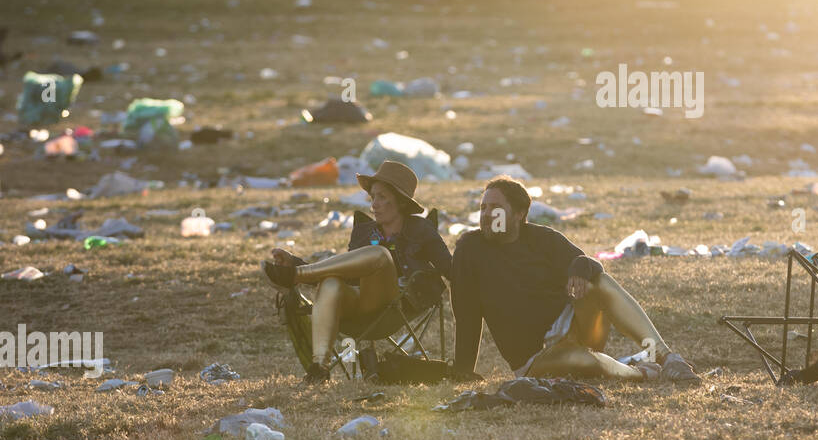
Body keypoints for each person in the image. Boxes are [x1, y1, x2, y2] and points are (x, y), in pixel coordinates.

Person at [451, 175, 701, 383]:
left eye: (495, 208)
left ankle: (666, 358)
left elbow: (587, 263)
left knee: (598, 282)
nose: (486, 214)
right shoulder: (469, 249)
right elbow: (466, 315)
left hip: (577, 330)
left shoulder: (541, 238)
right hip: (538, 359)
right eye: (483, 207)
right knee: (579, 360)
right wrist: (463, 371)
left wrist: (579, 270)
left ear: (519, 213)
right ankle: (638, 373)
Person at [261, 161, 452, 383]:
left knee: (380, 255)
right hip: (361, 304)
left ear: (400, 201)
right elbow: (345, 274)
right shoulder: (364, 232)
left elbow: (450, 269)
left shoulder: (421, 231)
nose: (374, 205)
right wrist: (293, 260)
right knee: (331, 282)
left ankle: (297, 275)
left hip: (394, 306)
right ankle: (319, 368)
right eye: (372, 198)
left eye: (382, 197)